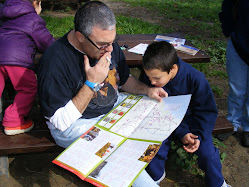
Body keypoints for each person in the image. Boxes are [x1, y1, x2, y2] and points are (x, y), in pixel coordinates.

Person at [37, 1, 168, 186]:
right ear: (80, 36)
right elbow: (60, 122)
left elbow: (123, 79)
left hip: (113, 109)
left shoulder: (107, 44)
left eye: (112, 42)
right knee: (124, 159)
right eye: (103, 45)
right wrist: (91, 84)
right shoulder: (55, 62)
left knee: (159, 112)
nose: (110, 49)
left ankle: (154, 170)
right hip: (76, 125)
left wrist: (148, 90)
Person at [142, 41, 231, 187]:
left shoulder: (196, 79)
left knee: (208, 154)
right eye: (149, 77)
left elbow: (207, 112)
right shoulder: (152, 73)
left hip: (193, 123)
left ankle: (217, 183)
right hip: (163, 118)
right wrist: (180, 131)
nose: (151, 81)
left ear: (173, 68)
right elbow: (153, 105)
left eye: (157, 78)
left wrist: (199, 135)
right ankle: (155, 176)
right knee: (153, 148)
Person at [0, 0, 54, 135]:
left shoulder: (4, 15)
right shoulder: (34, 19)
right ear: (36, 2)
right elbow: (46, 43)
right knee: (28, 88)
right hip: (17, 61)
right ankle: (13, 121)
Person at [218, 0, 249, 147]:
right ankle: (232, 123)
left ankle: (248, 128)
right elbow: (228, 5)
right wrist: (228, 30)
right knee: (237, 87)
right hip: (238, 43)